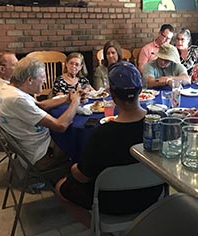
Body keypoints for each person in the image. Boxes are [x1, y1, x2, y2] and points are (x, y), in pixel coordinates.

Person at [55, 61, 163, 216]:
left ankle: (100, 229)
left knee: (61, 186)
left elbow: (83, 177)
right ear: (140, 90)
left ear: (112, 94)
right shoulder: (160, 121)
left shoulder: (102, 133)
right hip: (153, 195)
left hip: (111, 203)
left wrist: (73, 168)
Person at [0, 57, 81, 171]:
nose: (45, 81)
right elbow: (61, 126)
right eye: (42, 77)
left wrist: (68, 98)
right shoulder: (17, 99)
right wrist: (75, 102)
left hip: (33, 146)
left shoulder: (7, 88)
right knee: (83, 141)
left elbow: (40, 105)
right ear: (29, 80)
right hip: (41, 155)